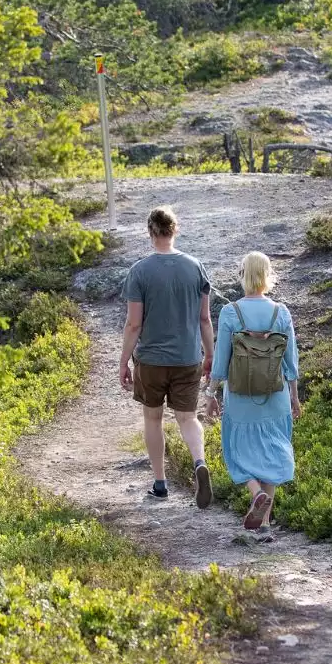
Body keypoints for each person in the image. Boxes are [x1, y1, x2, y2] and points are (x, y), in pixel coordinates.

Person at [119, 206, 214, 506]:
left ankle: (160, 483)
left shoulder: (140, 271)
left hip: (151, 359)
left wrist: (124, 360)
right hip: (188, 357)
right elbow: (204, 319)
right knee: (187, 418)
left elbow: (134, 323)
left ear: (150, 232)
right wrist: (209, 354)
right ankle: (199, 462)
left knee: (153, 417)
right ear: (176, 229)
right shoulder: (196, 267)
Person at [207, 251, 301, 534]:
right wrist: (295, 396)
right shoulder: (280, 312)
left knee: (237, 449)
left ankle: (255, 492)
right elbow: (291, 361)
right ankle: (264, 523)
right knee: (272, 452)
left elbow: (221, 360)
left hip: (240, 397)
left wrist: (211, 393)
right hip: (276, 396)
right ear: (267, 275)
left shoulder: (230, 313)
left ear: (243, 276)